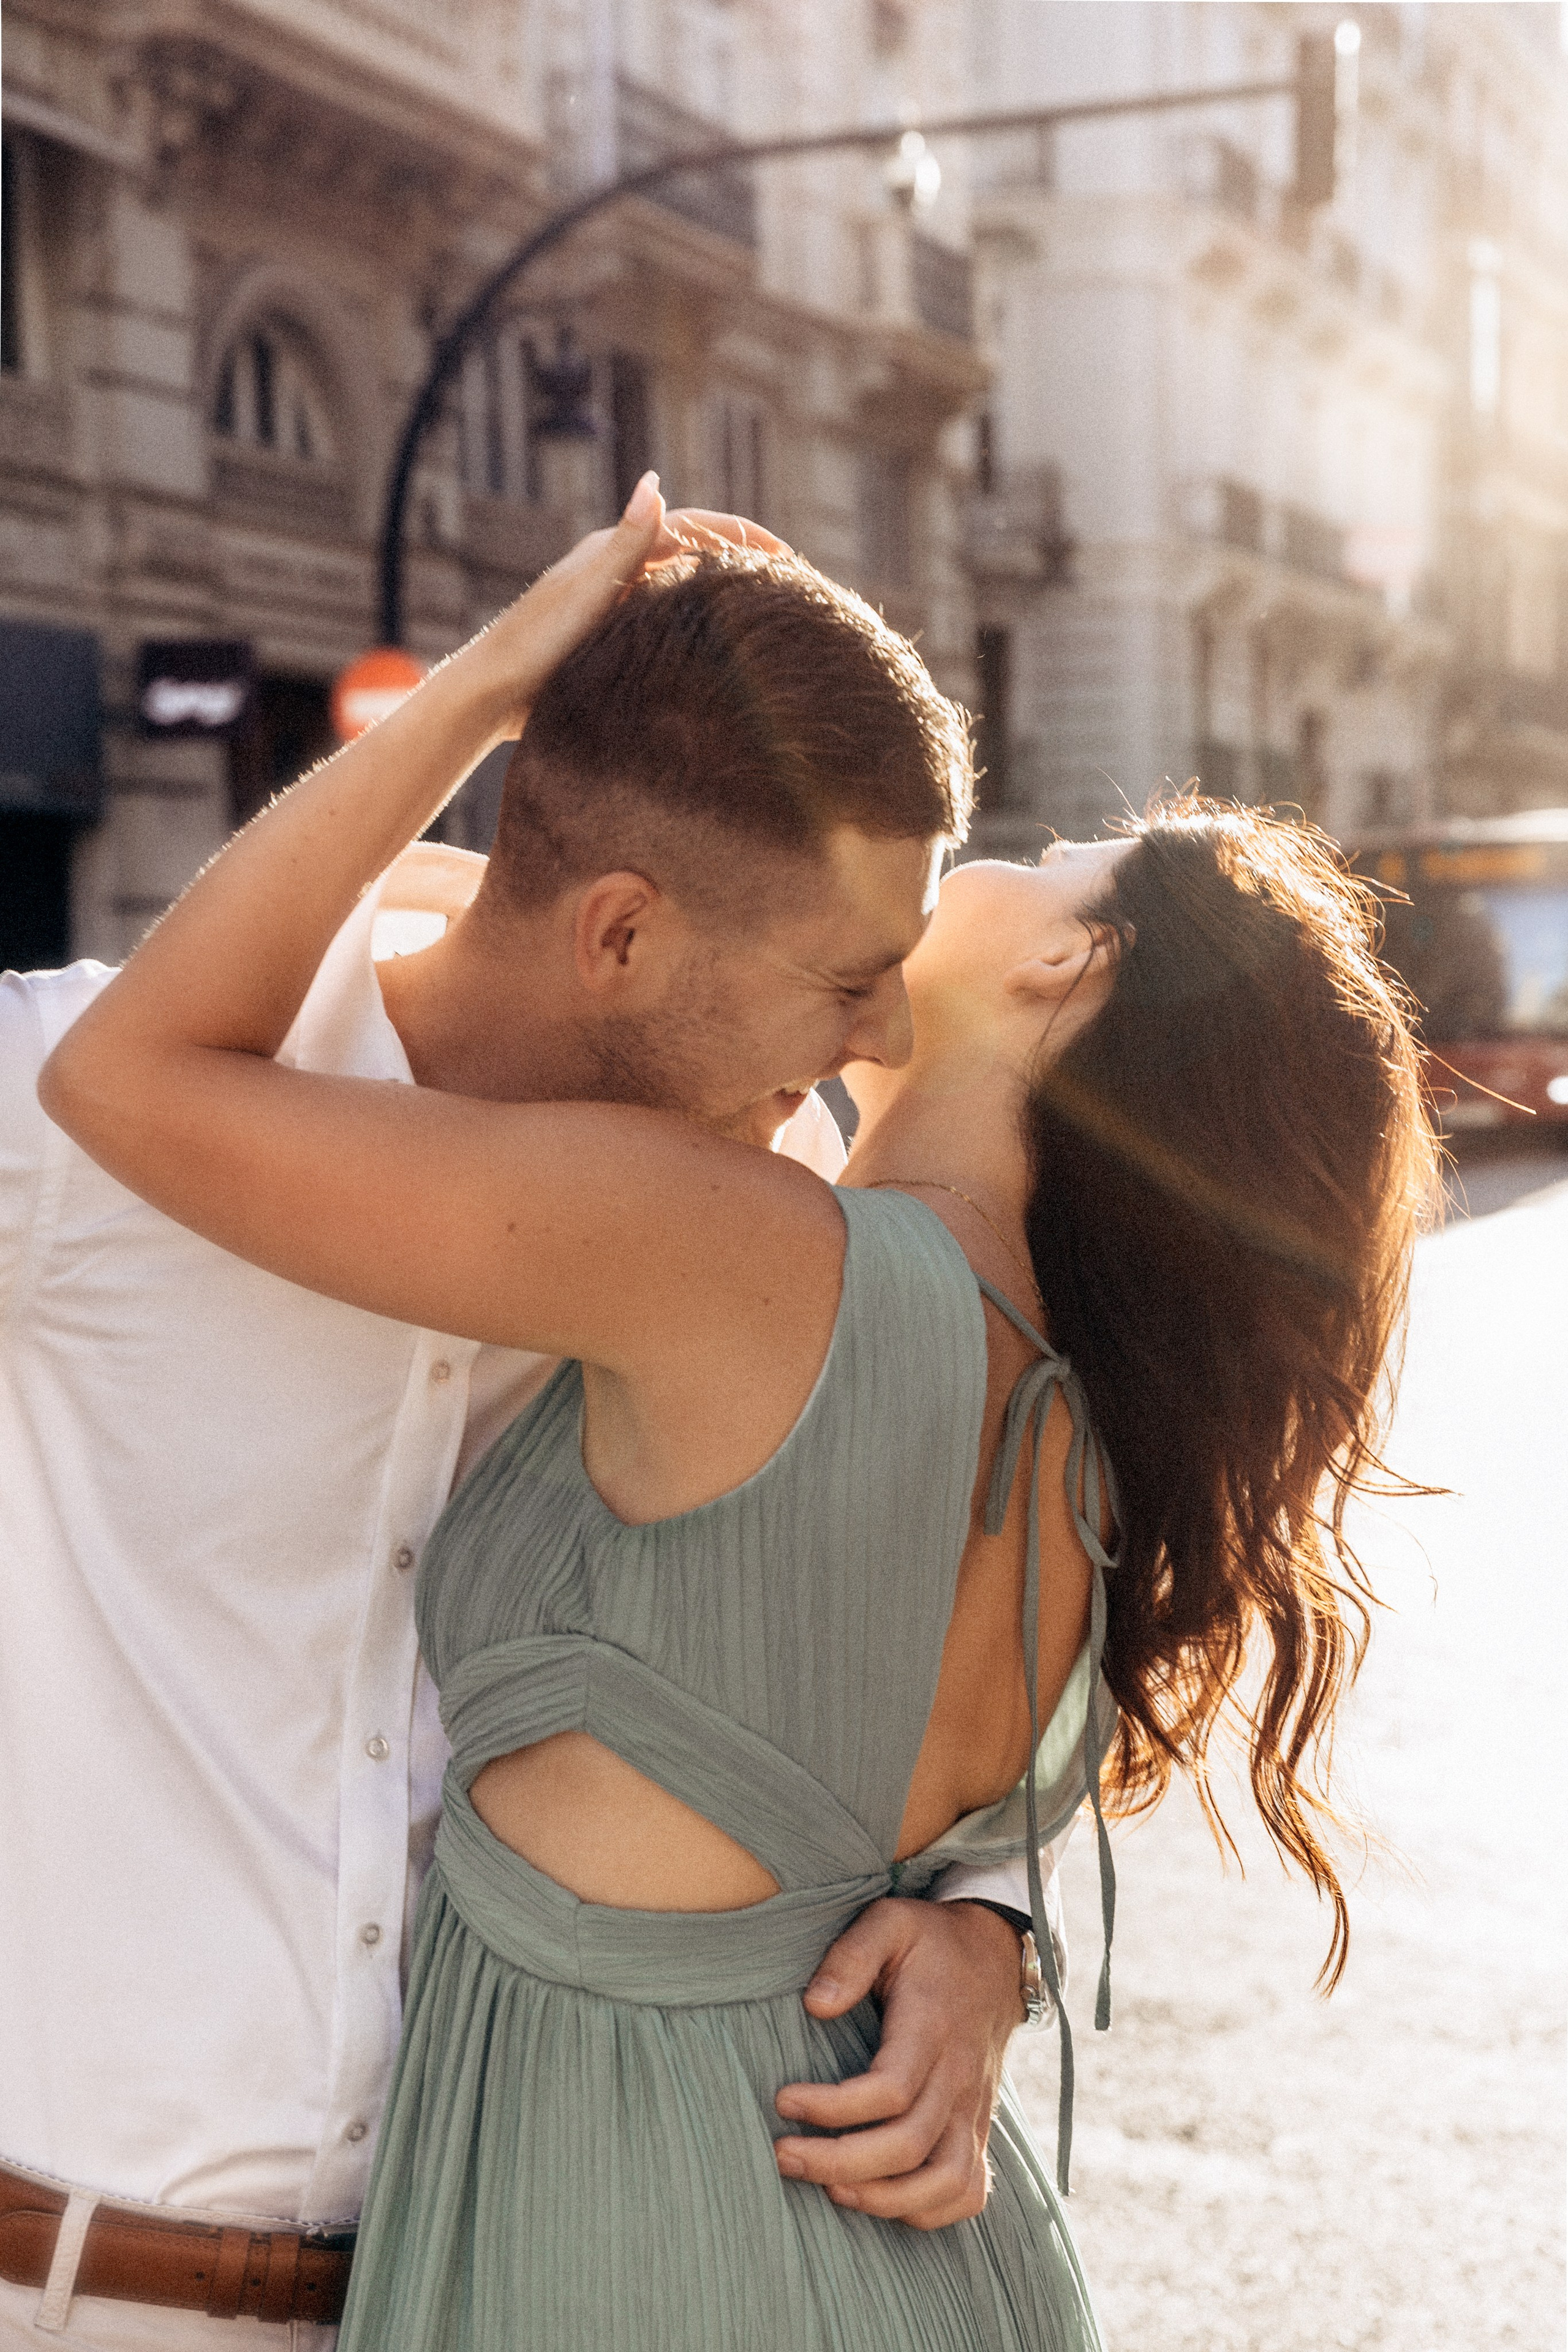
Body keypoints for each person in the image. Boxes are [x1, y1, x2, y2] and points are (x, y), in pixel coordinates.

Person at [40, 481, 1438, 2351]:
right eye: (839, 974)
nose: (861, 1033)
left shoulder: (730, 1237)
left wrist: (478, 700)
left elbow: (155, 1068)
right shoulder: (1046, 1397)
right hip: (833, 2250)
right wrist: (980, 1921)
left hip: (599, 2240)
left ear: (1070, 971)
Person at [0, 504, 1044, 2352]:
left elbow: (915, 1626)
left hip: (486, 2275)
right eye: (842, 976)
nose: (884, 1039)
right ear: (623, 933)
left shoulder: (773, 1243)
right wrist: (482, 694)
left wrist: (983, 1929)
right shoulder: (72, 1130)